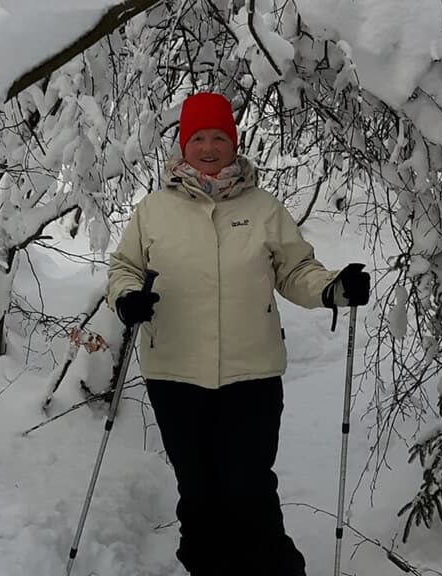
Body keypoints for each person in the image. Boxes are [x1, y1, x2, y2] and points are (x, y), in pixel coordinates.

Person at [106, 92, 370, 576]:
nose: (209, 147)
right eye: (199, 138)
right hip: (176, 374)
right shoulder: (153, 210)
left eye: (219, 137)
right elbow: (124, 267)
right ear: (183, 145)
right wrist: (127, 299)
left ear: (234, 142)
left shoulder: (264, 209)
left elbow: (296, 270)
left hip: (252, 373)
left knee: (248, 488)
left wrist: (333, 289)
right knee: (200, 492)